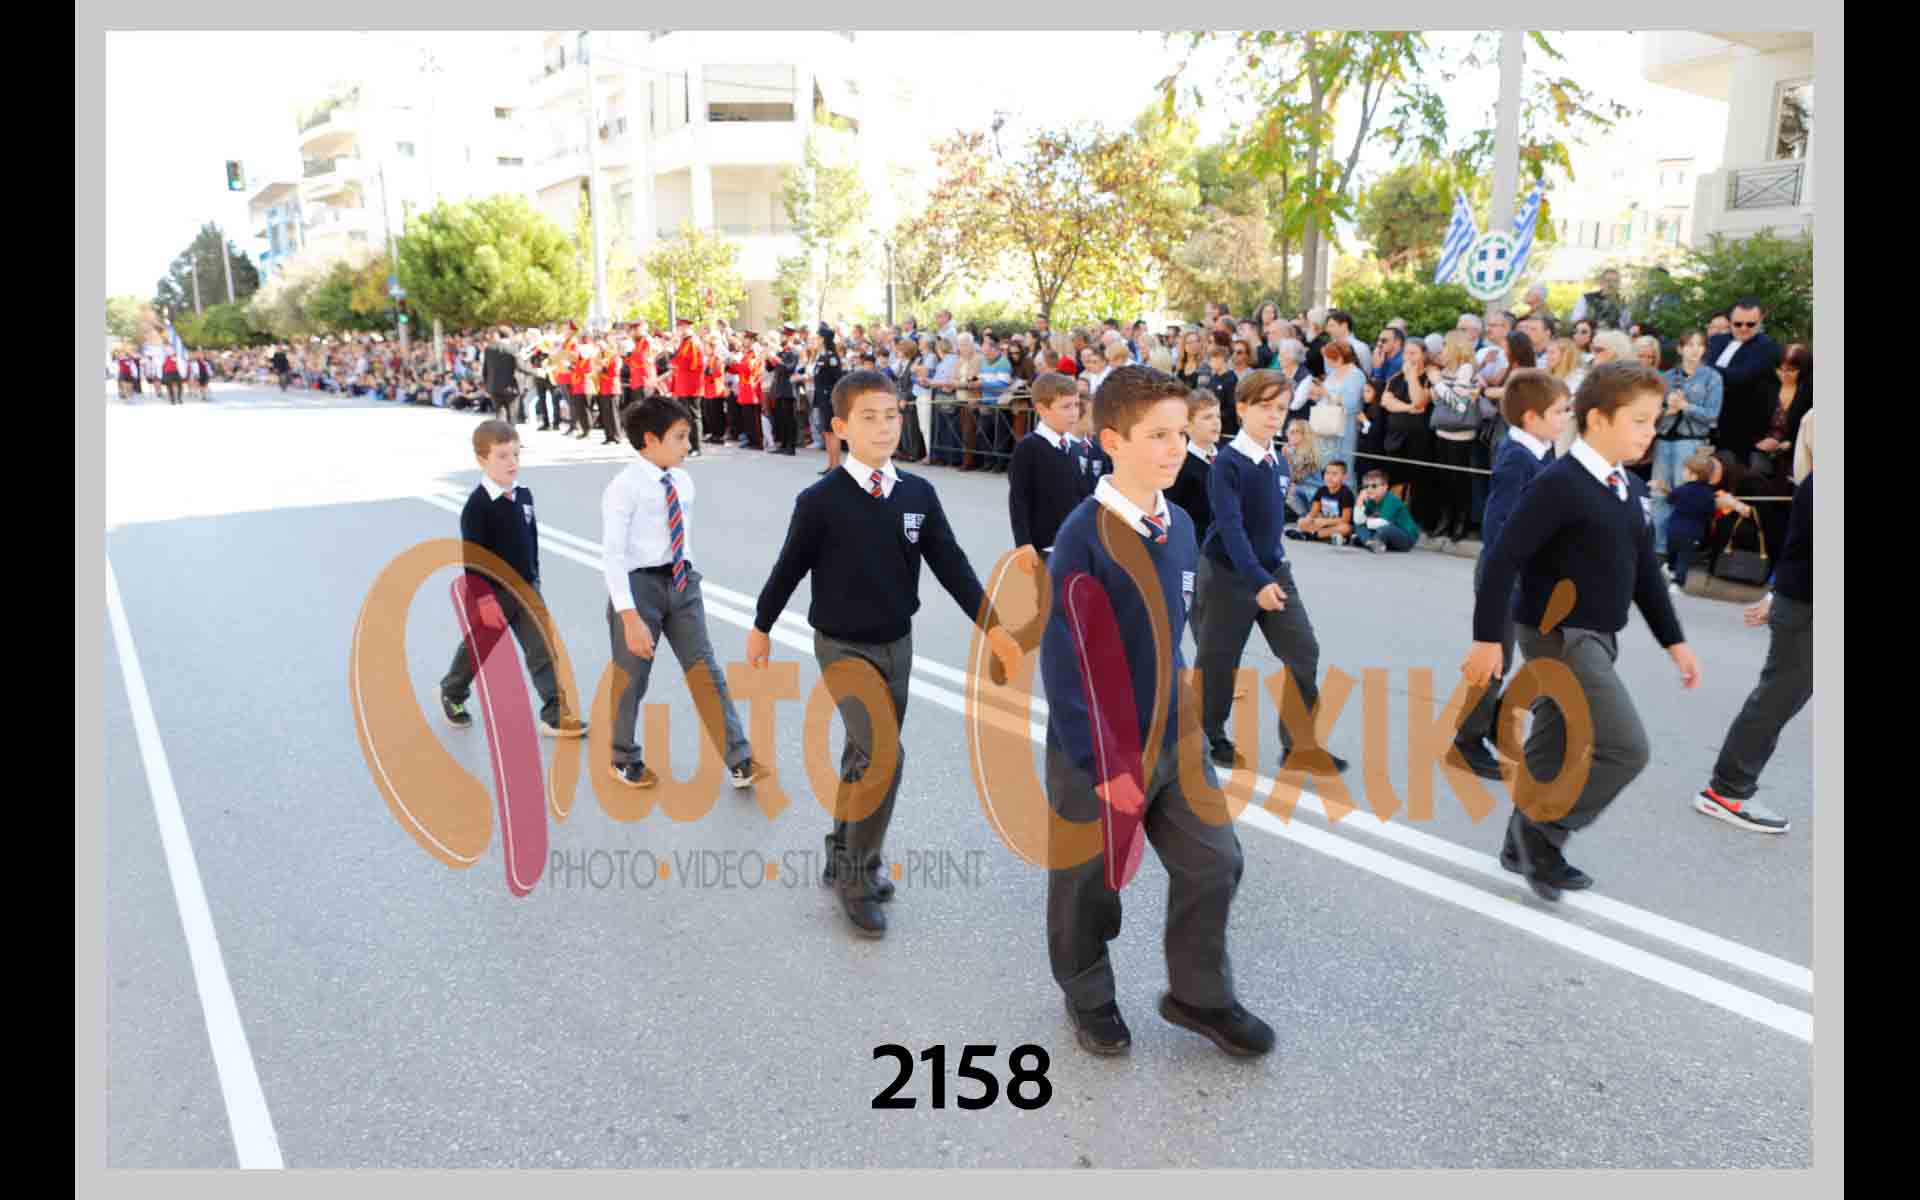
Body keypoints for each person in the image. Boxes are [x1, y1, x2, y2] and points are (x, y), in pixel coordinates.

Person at [1040, 363, 1275, 1059]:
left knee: (1216, 862)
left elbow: (1172, 627)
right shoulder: (1084, 537)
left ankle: (1198, 996)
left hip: (1177, 734)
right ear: (1113, 440)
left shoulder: (1180, 523)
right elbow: (1068, 667)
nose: (1177, 448)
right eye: (1158, 436)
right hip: (1102, 747)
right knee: (1088, 882)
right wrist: (1106, 764)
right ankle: (1087, 992)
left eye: (1181, 433)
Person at [746, 371, 1021, 938]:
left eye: (892, 415)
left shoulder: (917, 494)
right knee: (883, 758)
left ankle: (840, 848)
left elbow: (952, 565)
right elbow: (788, 567)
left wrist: (993, 627)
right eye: (868, 417)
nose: (884, 427)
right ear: (841, 427)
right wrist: (761, 626)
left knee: (863, 754)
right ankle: (857, 874)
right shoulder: (820, 500)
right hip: (842, 645)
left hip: (898, 643)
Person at [1462, 362, 1701, 901]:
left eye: (1654, 421)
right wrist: (1486, 639)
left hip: (1597, 635)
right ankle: (1543, 836)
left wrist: (1675, 642)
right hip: (1557, 633)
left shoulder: (1627, 487)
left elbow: (1645, 573)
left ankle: (1519, 844)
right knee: (1626, 747)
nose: (1650, 432)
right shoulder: (1559, 483)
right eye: (1639, 420)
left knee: (1553, 742)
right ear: (1597, 419)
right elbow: (1502, 558)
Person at [601, 396, 771, 791]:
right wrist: (629, 616)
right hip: (639, 587)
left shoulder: (683, 482)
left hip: (682, 583)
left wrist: (688, 578)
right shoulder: (624, 487)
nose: (687, 445)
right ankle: (622, 756)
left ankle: (739, 758)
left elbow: (682, 537)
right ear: (650, 440)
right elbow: (613, 555)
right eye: (679, 437)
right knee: (631, 677)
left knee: (704, 670)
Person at [1196, 368, 1349, 776]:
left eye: (1281, 408)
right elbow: (1231, 528)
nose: (1274, 415)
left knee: (1303, 651)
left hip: (1273, 571)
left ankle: (1300, 744)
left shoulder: (1278, 461)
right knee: (1218, 661)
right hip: (1228, 573)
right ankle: (1209, 735)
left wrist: (1271, 572)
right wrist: (1257, 580)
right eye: (1264, 406)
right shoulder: (1227, 463)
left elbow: (1269, 525)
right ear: (1241, 408)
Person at [1449, 369, 1573, 781]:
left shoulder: (1542, 451)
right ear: (1532, 417)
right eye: (1560, 412)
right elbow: (1498, 526)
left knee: (1550, 653)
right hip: (1506, 574)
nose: (1565, 418)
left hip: (1534, 574)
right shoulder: (1516, 457)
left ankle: (1497, 716)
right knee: (1493, 658)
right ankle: (1466, 742)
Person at [438, 419, 588, 739]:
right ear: (482, 460)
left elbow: (530, 539)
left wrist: (535, 577)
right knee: (479, 647)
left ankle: (555, 714)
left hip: (527, 588)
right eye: (503, 456)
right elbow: (473, 560)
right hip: (492, 592)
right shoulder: (477, 507)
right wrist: (484, 599)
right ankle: (452, 690)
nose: (512, 462)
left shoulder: (524, 495)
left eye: (516, 454)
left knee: (542, 649)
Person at [1694, 470, 1810, 835]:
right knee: (1777, 699)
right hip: (1808, 608)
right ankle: (1727, 790)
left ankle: (1729, 787)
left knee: (1779, 696)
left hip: (1802, 602)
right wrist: (1778, 596)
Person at [1650, 330, 1725, 560]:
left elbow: (1712, 415)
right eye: (1690, 345)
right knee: (1658, 493)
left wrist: (1686, 407)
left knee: (1685, 494)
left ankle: (1680, 551)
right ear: (1680, 349)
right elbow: (1652, 413)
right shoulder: (1666, 377)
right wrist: (1668, 410)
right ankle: (1658, 548)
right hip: (1664, 441)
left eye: (1699, 345)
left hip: (1691, 441)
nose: (1694, 350)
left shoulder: (1711, 377)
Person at [1008, 372, 1094, 567]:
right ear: (1042, 409)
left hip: (1075, 543)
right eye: (1066, 407)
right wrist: (1024, 543)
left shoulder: (1075, 447)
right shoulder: (1029, 448)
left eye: (1076, 405)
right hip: (1045, 546)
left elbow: (1082, 496)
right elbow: (1019, 499)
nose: (1074, 412)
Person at [1663, 454, 1720, 590]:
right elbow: (1710, 512)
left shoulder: (1681, 489)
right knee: (1684, 558)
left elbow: (1670, 499)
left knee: (1672, 551)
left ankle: (1670, 568)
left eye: (1685, 470)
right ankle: (1677, 583)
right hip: (1694, 533)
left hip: (1674, 529)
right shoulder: (1709, 493)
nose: (1683, 473)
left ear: (1694, 475)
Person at [1313, 339, 1365, 476]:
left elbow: (1350, 404)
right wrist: (1317, 394)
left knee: (1342, 463)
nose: (1326, 361)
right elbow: (1326, 397)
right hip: (1325, 424)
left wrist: (1326, 394)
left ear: (1339, 358)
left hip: (1344, 426)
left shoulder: (1355, 375)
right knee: (1325, 463)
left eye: (1329, 358)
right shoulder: (1333, 373)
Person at [1352, 468, 1421, 554]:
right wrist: (1359, 500)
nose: (1369, 489)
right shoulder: (1371, 500)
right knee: (1358, 525)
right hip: (1384, 536)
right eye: (1366, 486)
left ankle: (1367, 541)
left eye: (1374, 486)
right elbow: (1358, 520)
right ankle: (1371, 543)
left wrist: (1364, 522)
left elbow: (1382, 522)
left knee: (1384, 529)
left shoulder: (1391, 500)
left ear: (1385, 487)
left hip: (1405, 537)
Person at [1289, 459, 1356, 545]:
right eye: (1327, 473)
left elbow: (1345, 519)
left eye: (1334, 474)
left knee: (1346, 528)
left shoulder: (1346, 493)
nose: (1329, 477)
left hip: (1338, 524)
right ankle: (1324, 536)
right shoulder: (1322, 490)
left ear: (1344, 477)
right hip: (1323, 524)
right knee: (1301, 522)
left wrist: (1325, 521)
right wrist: (1309, 519)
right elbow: (1313, 512)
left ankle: (1311, 536)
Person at [811, 324, 847, 476]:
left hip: (829, 398)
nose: (816, 340)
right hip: (821, 397)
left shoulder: (831, 357)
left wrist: (834, 398)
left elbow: (837, 380)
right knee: (826, 431)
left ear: (824, 339)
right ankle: (831, 464)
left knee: (832, 431)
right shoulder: (821, 356)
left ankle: (836, 466)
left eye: (818, 337)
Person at [483, 327, 520, 424]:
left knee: (499, 415)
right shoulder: (513, 349)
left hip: (494, 387)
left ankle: (500, 433)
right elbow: (521, 366)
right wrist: (537, 372)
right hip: (510, 387)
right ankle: (510, 433)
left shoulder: (489, 349)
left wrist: (486, 385)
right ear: (510, 335)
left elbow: (485, 370)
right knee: (512, 416)